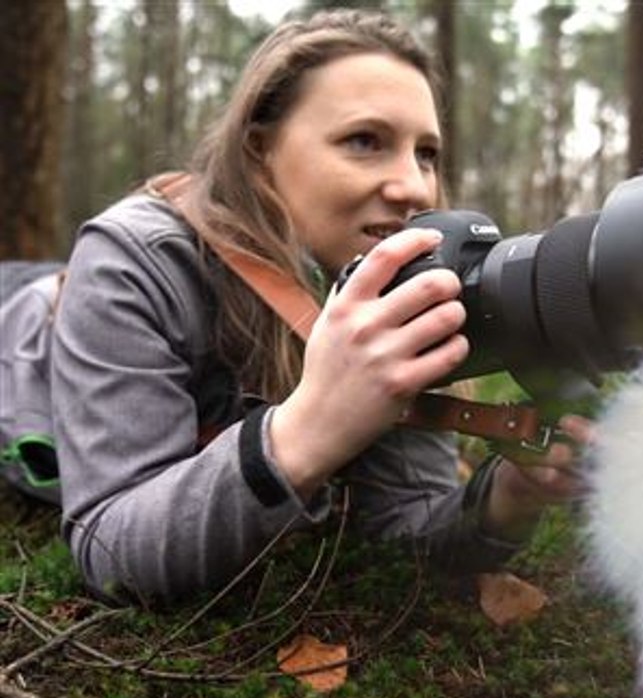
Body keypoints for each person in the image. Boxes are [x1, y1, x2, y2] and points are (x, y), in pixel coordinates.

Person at [0, 9, 588, 606]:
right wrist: (303, 434)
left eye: (426, 154)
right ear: (260, 152)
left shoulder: (389, 288)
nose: (413, 187)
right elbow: (111, 551)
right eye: (365, 141)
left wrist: (508, 496)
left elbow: (400, 528)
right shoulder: (137, 261)